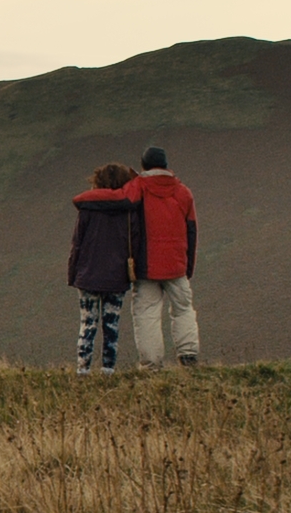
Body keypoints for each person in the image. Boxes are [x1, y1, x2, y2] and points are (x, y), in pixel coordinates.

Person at [123, 145, 198, 369]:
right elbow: (192, 232)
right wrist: (188, 266)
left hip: (146, 266)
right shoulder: (183, 192)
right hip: (176, 265)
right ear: (166, 165)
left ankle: (152, 364)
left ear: (144, 165)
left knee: (146, 313)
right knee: (183, 308)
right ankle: (188, 355)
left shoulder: (137, 188)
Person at [66, 161, 139, 374]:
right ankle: (108, 370)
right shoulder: (129, 211)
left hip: (88, 275)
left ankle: (82, 370)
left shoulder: (87, 209)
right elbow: (135, 243)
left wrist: (73, 273)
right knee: (111, 326)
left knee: (88, 323)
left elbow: (76, 243)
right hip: (116, 277)